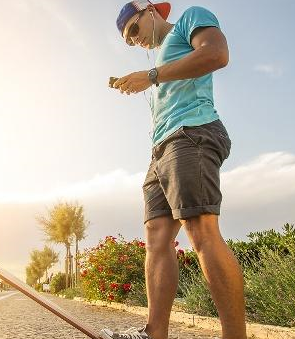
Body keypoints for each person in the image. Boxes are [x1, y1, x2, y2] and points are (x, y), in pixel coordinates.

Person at [100, 1, 247, 339]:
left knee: (200, 230)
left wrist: (150, 76)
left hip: (192, 132)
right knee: (156, 238)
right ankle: (155, 333)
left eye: (134, 30)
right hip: (161, 148)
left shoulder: (189, 20)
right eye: (127, 40)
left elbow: (217, 55)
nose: (134, 40)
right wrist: (145, 80)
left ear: (151, 12)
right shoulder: (158, 62)